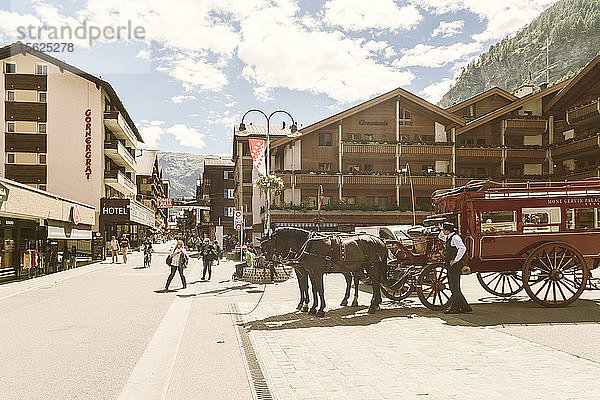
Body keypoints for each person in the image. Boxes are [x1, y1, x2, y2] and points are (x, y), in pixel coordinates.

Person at [438, 222, 472, 314]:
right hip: (451, 265)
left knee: (454, 287)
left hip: (454, 265)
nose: (443, 232)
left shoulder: (455, 238)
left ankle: (456, 308)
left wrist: (455, 260)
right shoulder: (449, 237)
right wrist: (441, 228)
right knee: (454, 287)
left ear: (448, 231)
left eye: (444, 230)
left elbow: (462, 248)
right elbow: (440, 237)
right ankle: (465, 307)